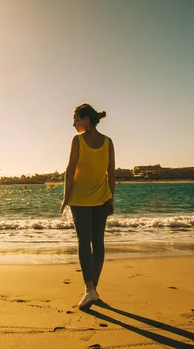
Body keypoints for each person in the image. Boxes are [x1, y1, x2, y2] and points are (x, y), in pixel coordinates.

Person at [60, 103, 115, 310]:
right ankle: (93, 290)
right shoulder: (108, 142)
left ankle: (90, 289)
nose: (74, 124)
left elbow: (70, 169)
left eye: (76, 119)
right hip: (102, 198)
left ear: (86, 119)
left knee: (85, 242)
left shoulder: (78, 141)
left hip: (81, 199)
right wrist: (111, 198)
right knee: (97, 242)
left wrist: (66, 197)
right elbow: (112, 173)